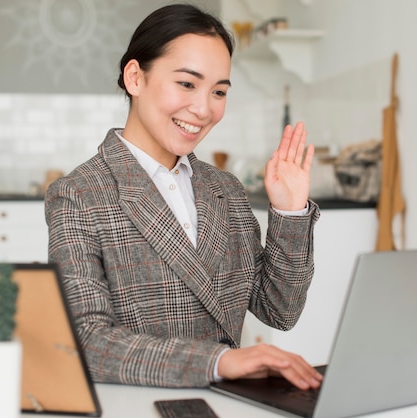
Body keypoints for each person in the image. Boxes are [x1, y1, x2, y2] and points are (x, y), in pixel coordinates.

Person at [45, 3, 322, 390]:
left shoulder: (226, 190)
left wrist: (289, 212)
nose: (204, 108)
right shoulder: (79, 194)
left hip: (228, 405)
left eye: (219, 91)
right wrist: (220, 362)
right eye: (187, 84)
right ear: (135, 78)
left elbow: (280, 310)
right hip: (139, 405)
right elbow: (87, 343)